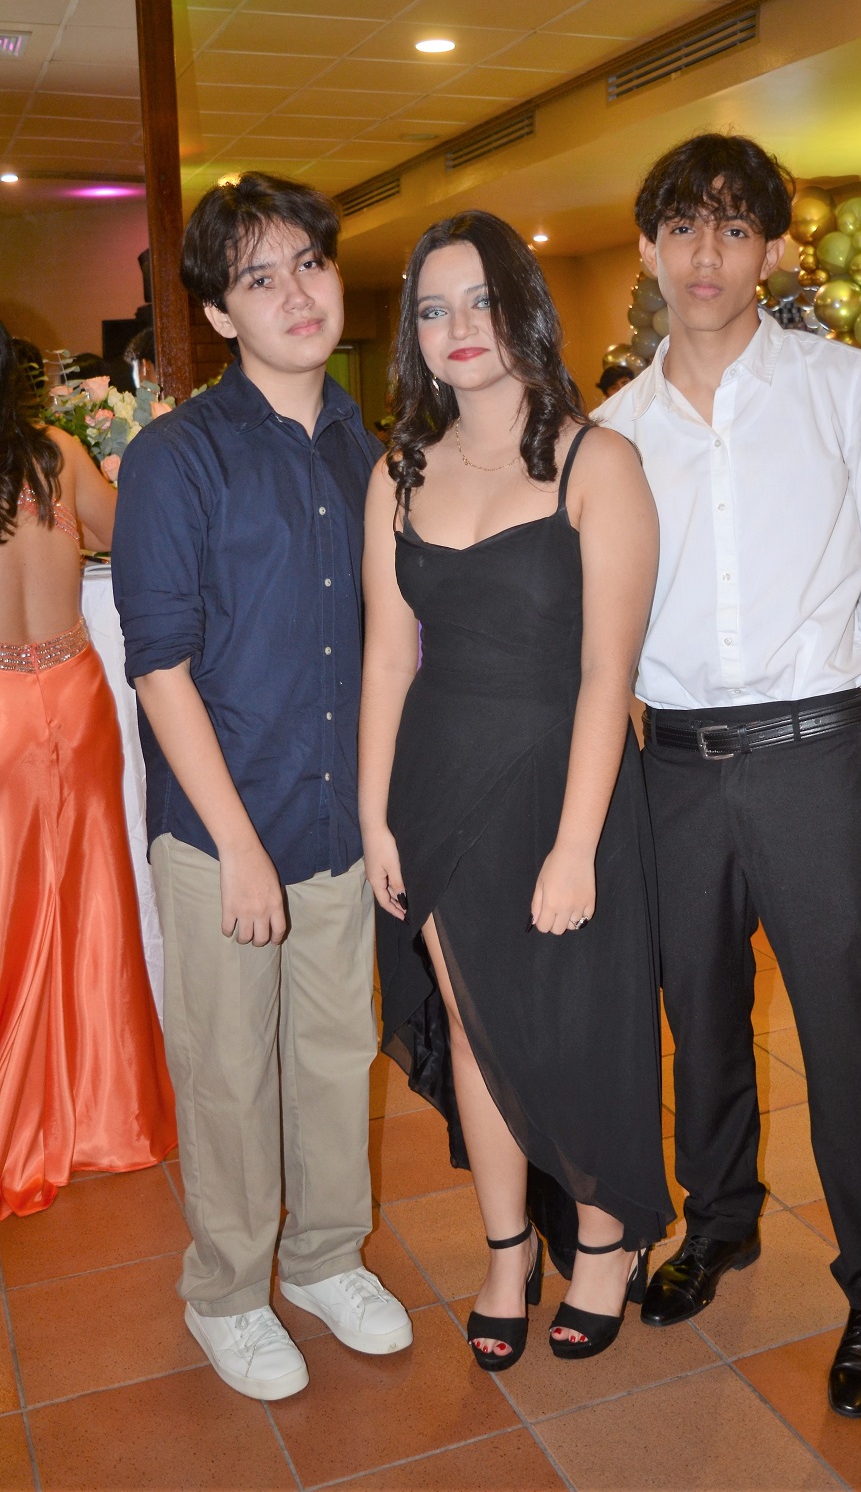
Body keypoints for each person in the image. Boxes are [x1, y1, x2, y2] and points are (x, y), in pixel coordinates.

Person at [595, 133, 861, 1419]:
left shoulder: (841, 384)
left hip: (813, 756)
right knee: (698, 1015)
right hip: (674, 766)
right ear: (647, 247)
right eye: (683, 227)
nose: (706, 255)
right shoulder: (614, 430)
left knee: (851, 1029)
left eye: (735, 229)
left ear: (772, 251)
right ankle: (720, 1220)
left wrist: (830, 706)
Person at [112, 172, 412, 1402]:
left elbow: (387, 645)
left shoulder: (368, 449)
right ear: (218, 313)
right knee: (231, 1074)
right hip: (222, 832)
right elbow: (159, 666)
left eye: (310, 264)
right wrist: (237, 846)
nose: (294, 293)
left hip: (333, 818)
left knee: (336, 1056)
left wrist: (379, 814)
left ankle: (326, 1257)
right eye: (258, 276)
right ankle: (228, 1292)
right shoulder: (177, 457)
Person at [360, 209, 674, 1373]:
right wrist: (373, 815)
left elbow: (606, 673)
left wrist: (576, 844)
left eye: (480, 301)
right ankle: (506, 1253)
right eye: (432, 310)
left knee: (580, 1025)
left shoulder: (600, 462)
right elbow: (386, 659)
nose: (457, 327)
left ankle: (602, 1238)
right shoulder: (398, 471)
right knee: (475, 1029)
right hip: (438, 792)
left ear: (523, 310)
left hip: (562, 786)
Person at [0, 319, 175, 1220]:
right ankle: (110, 1111)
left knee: (12, 909)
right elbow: (125, 531)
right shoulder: (59, 456)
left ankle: (22, 1117)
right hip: (73, 689)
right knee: (93, 898)